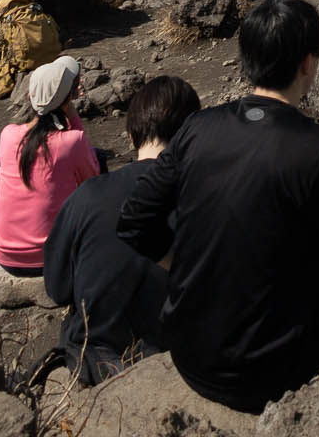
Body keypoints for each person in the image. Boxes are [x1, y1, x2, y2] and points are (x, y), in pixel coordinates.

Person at [118, 0, 319, 413]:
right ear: (307, 63)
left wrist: (181, 263)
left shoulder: (197, 128)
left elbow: (134, 220)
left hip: (189, 353)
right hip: (273, 369)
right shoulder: (316, 149)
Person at [44, 76, 201, 384]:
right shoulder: (207, 202)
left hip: (92, 362)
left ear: (131, 137)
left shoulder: (87, 196)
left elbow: (58, 287)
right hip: (175, 360)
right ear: (192, 140)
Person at [0, 57, 100, 276]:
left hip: (5, 254)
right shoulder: (72, 142)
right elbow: (94, 182)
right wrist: (72, 115)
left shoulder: (8, 134)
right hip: (50, 257)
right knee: (98, 166)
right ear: (68, 99)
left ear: (30, 97)